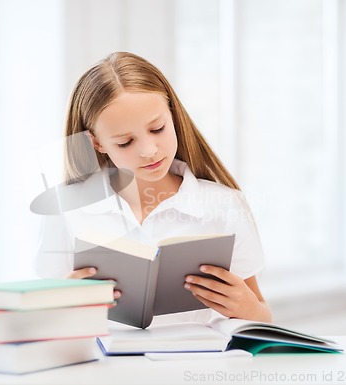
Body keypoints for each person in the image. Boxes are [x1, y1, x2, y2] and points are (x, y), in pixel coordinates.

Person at [34, 51, 272, 323]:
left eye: (157, 128)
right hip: (103, 363)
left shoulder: (225, 205)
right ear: (97, 143)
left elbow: (262, 318)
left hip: (193, 362)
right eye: (125, 142)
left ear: (172, 115)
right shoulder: (66, 207)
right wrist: (63, 306)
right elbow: (44, 323)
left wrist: (248, 310)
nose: (148, 150)